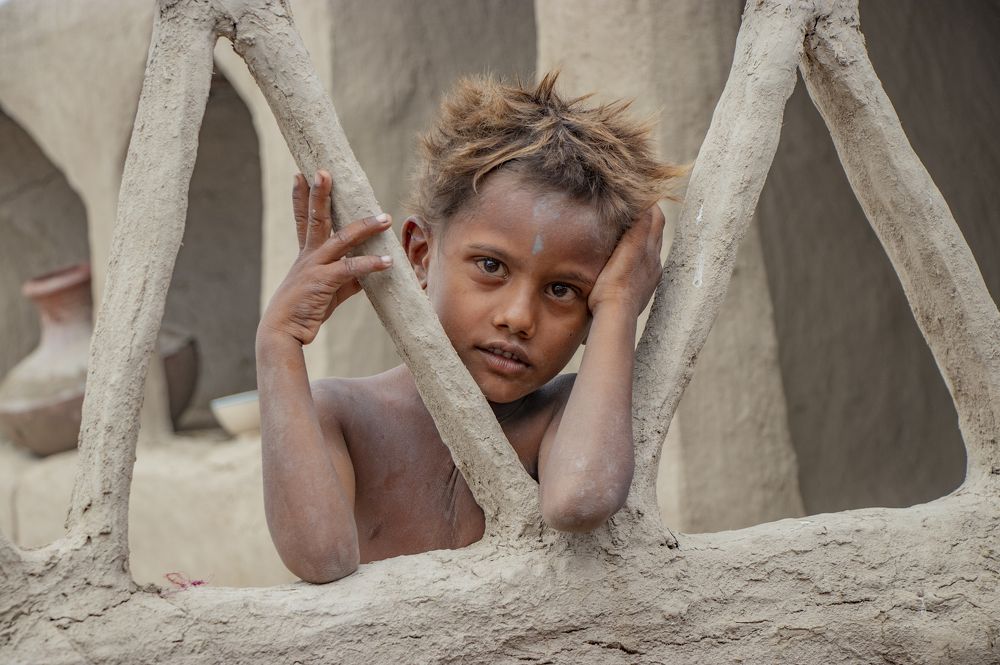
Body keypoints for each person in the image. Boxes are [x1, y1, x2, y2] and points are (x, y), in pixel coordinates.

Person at [256, 72, 682, 583]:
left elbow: (580, 500)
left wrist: (618, 304)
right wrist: (277, 343)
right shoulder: (341, 415)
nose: (518, 318)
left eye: (563, 290)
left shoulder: (564, 415)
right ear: (419, 253)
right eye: (490, 267)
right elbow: (321, 558)